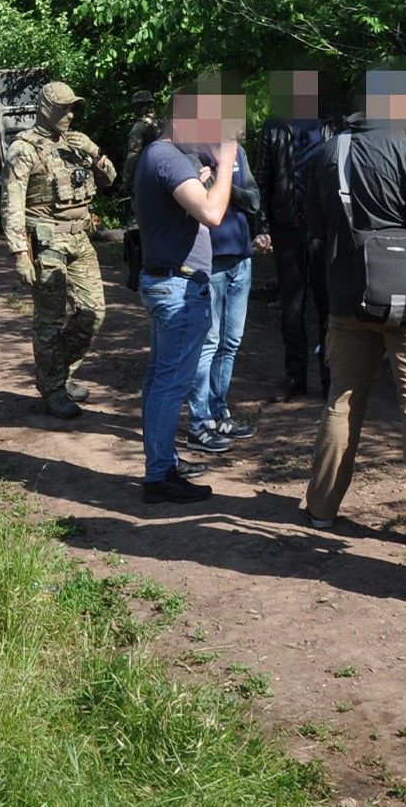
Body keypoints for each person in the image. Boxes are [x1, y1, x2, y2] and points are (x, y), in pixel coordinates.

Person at [301, 69, 406, 546]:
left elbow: (314, 225)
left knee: (342, 402)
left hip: (346, 298)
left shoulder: (326, 153)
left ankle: (320, 507)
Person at [132, 75, 240, 503]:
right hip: (177, 285)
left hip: (169, 281)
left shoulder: (163, 155)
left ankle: (163, 462)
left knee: (160, 380)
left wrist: (204, 173)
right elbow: (212, 213)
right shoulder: (167, 157)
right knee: (170, 384)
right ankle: (159, 475)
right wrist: (227, 161)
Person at [4, 82, 118, 420]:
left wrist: (95, 153)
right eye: (63, 108)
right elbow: (11, 203)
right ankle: (53, 388)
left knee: (93, 312)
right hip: (47, 243)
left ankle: (58, 373)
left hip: (80, 239)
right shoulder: (24, 148)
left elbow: (111, 179)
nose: (70, 115)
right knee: (50, 320)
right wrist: (19, 253)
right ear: (45, 108)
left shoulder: (76, 143)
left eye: (73, 108)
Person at [185, 143, 267, 453]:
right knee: (208, 341)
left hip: (241, 259)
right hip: (210, 261)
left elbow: (254, 201)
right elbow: (195, 205)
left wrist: (223, 182)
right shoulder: (191, 153)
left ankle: (219, 412)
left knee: (230, 341)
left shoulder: (237, 152)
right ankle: (200, 420)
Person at [258, 69, 333, 400]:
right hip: (287, 227)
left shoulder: (332, 124)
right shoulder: (275, 126)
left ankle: (331, 379)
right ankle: (295, 378)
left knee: (329, 307)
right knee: (292, 308)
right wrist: (262, 227)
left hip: (325, 231)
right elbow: (263, 178)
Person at [120, 89, 163, 290]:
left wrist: (125, 182)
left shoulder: (139, 128)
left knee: (135, 228)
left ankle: (137, 275)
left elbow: (132, 156)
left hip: (144, 181)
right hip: (165, 181)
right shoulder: (162, 124)